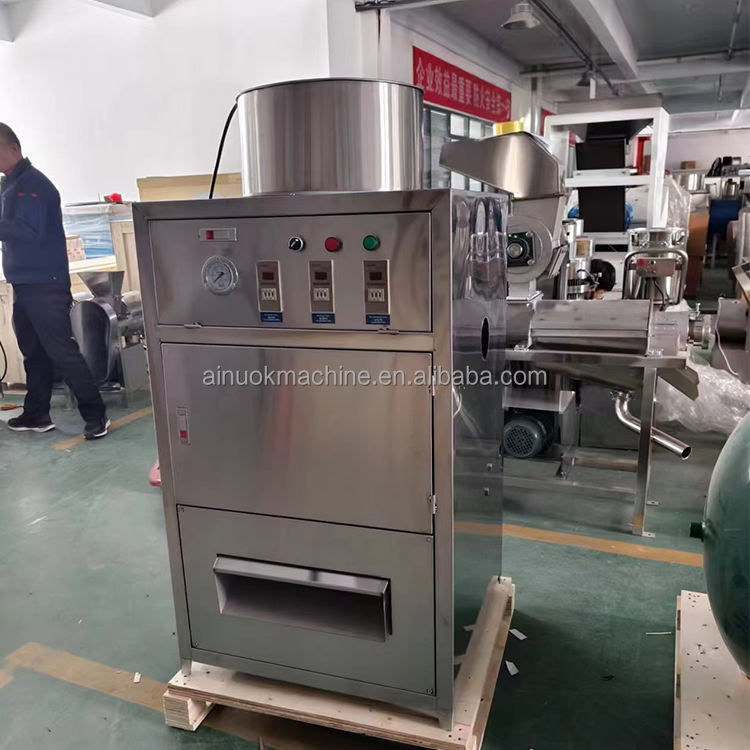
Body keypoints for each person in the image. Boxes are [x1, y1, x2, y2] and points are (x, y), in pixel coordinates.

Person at [0, 123, 109, 439]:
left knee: (62, 351)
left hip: (45, 285)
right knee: (33, 352)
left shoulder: (34, 185)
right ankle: (37, 414)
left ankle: (96, 416)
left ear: (13, 148)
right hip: (24, 283)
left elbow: (28, 232)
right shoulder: (10, 185)